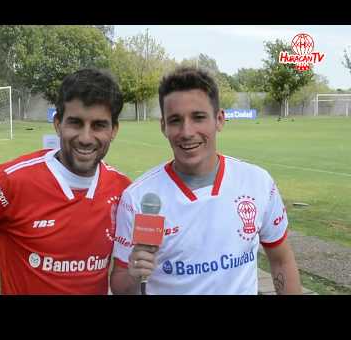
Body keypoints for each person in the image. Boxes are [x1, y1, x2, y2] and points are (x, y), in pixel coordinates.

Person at [0, 68, 131, 295]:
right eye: (76, 123)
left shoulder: (124, 189)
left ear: (114, 130)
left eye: (99, 125)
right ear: (58, 124)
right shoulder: (10, 181)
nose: (86, 138)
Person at [110, 67, 302, 295]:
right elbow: (120, 283)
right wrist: (134, 273)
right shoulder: (139, 197)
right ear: (163, 127)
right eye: (175, 121)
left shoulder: (257, 182)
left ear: (219, 119)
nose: (187, 131)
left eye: (198, 117)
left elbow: (281, 261)